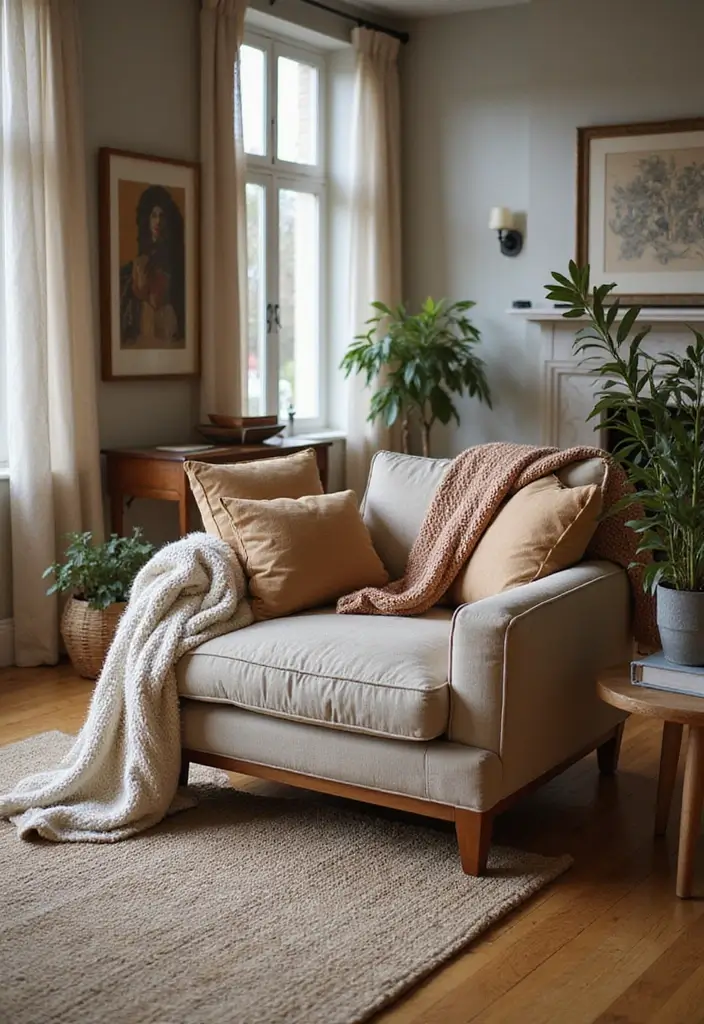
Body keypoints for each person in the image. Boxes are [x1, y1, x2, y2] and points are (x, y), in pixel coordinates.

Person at [119, 184, 185, 348]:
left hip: (169, 328)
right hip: (144, 328)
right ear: (147, 220)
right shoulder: (139, 262)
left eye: (162, 216)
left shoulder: (177, 262)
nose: (158, 221)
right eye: (154, 216)